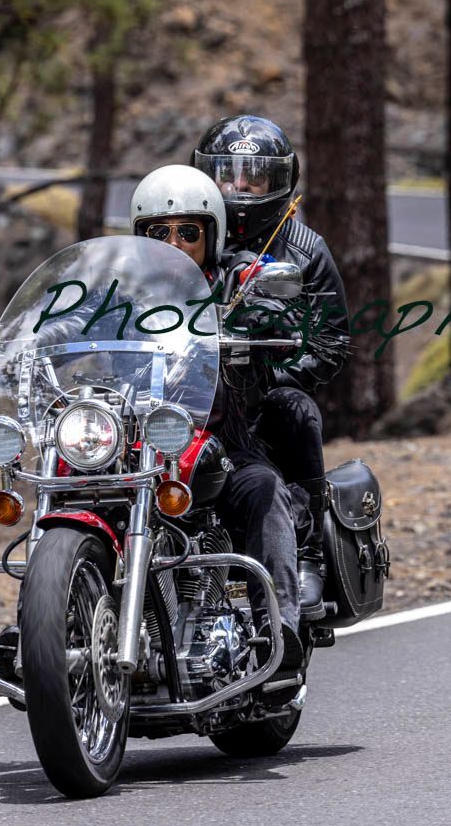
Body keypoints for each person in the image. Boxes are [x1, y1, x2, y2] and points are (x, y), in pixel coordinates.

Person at [128, 164, 306, 678]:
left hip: (218, 443)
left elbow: (273, 304)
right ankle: (51, 619)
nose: (175, 243)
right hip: (133, 445)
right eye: (159, 233)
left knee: (265, 490)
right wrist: (16, 340)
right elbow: (69, 313)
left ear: (213, 235)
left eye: (188, 232)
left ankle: (278, 629)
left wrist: (264, 317)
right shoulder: (121, 288)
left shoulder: (236, 275)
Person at [190, 114, 351, 621]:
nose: (238, 187)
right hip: (187, 393)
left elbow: (332, 338)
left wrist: (271, 374)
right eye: (227, 174)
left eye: (252, 177)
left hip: (264, 390)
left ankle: (309, 552)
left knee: (294, 409)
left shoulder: (305, 250)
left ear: (278, 183)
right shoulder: (186, 239)